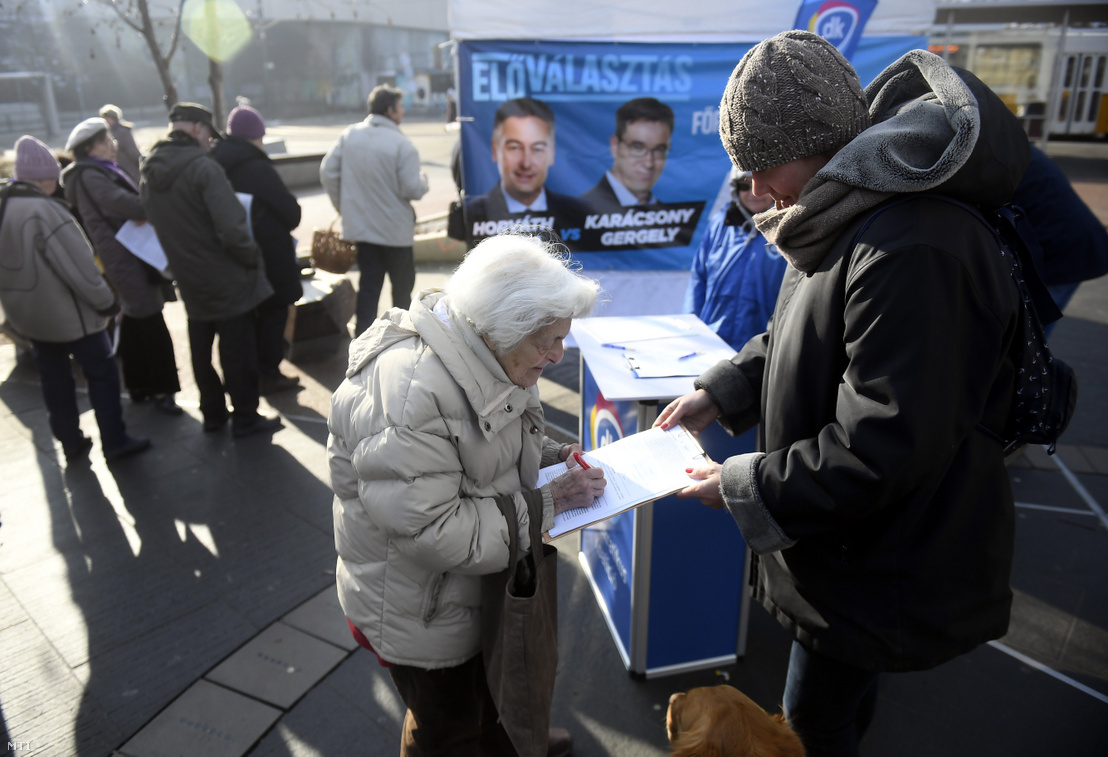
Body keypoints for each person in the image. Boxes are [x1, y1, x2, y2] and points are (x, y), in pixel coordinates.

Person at [655, 32, 1027, 756]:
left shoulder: (912, 245)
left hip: (881, 561)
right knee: (830, 711)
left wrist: (738, 480)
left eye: (763, 168)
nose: (756, 193)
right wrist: (724, 388)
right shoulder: (848, 204)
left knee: (815, 724)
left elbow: (881, 445)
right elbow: (804, 335)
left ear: (819, 140)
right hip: (852, 549)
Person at [327, 233, 605, 756]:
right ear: (502, 328)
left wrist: (550, 457)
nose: (558, 354)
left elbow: (488, 436)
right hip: (423, 608)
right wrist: (552, 501)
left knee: (492, 696)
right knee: (447, 730)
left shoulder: (487, 350)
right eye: (548, 340)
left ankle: (512, 737)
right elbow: (435, 532)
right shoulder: (410, 388)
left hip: (466, 591)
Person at [0, 136, 150, 462]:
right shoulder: (44, 211)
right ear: (44, 177)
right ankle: (115, 440)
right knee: (102, 375)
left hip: (30, 316)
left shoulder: (5, 205)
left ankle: (70, 440)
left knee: (54, 381)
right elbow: (79, 269)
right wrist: (107, 303)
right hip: (70, 316)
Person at [141, 102, 281, 438]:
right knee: (238, 352)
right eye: (208, 135)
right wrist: (251, 258)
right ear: (198, 129)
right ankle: (246, 417)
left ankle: (214, 413)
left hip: (188, 277)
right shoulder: (203, 168)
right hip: (226, 277)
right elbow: (233, 229)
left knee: (201, 349)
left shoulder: (148, 172)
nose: (209, 143)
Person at [62, 117, 182, 415]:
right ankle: (163, 389)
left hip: (128, 256)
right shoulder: (91, 175)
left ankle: (140, 385)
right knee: (151, 321)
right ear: (88, 149)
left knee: (135, 320)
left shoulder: (96, 171)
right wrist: (145, 206)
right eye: (105, 142)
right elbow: (131, 205)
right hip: (127, 259)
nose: (112, 146)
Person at [320, 85, 429, 336]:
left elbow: (327, 172)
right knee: (402, 291)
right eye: (400, 107)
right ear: (390, 110)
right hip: (396, 233)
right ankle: (401, 340)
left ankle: (361, 342)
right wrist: (423, 179)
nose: (403, 112)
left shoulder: (349, 135)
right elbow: (412, 188)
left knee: (369, 288)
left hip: (364, 231)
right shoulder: (402, 144)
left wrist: (345, 207)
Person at [212, 105, 304, 395]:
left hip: (233, 253)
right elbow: (290, 212)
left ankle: (253, 373)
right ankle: (269, 372)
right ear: (256, 136)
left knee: (247, 319)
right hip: (269, 252)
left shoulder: (214, 163)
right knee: (275, 311)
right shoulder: (256, 166)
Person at [1011, 143, 1108, 337]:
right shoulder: (1012, 147)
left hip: (1062, 252)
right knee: (1027, 337)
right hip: (1072, 244)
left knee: (1026, 339)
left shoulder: (996, 160)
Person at [685, 167, 784, 351]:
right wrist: (691, 331)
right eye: (744, 186)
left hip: (762, 347)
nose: (753, 193)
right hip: (712, 342)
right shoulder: (719, 225)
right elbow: (698, 280)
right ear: (734, 189)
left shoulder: (787, 232)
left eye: (760, 184)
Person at [464, 98, 586, 228]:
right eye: (515, 148)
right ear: (495, 150)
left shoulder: (576, 214)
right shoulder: (471, 215)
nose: (526, 163)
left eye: (537, 149)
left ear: (551, 153)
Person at [580, 97, 674, 212]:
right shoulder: (580, 212)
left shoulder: (671, 219)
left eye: (659, 150)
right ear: (614, 146)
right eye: (637, 147)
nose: (649, 163)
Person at [99, 104, 143, 184]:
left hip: (130, 172)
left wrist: (142, 165)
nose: (104, 121)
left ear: (111, 118)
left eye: (105, 118)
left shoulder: (121, 132)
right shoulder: (111, 133)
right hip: (121, 173)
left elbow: (133, 152)